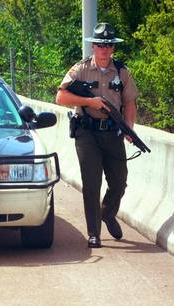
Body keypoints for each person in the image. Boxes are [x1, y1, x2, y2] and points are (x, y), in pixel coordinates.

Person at [55, 22, 139, 248]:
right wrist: (88, 101)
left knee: (119, 182)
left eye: (108, 45)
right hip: (86, 132)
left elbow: (130, 102)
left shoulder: (122, 72)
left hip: (112, 132)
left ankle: (108, 213)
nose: (104, 49)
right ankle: (94, 233)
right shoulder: (80, 69)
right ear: (93, 46)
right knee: (92, 183)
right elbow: (61, 97)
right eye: (100, 44)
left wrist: (128, 128)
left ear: (113, 48)